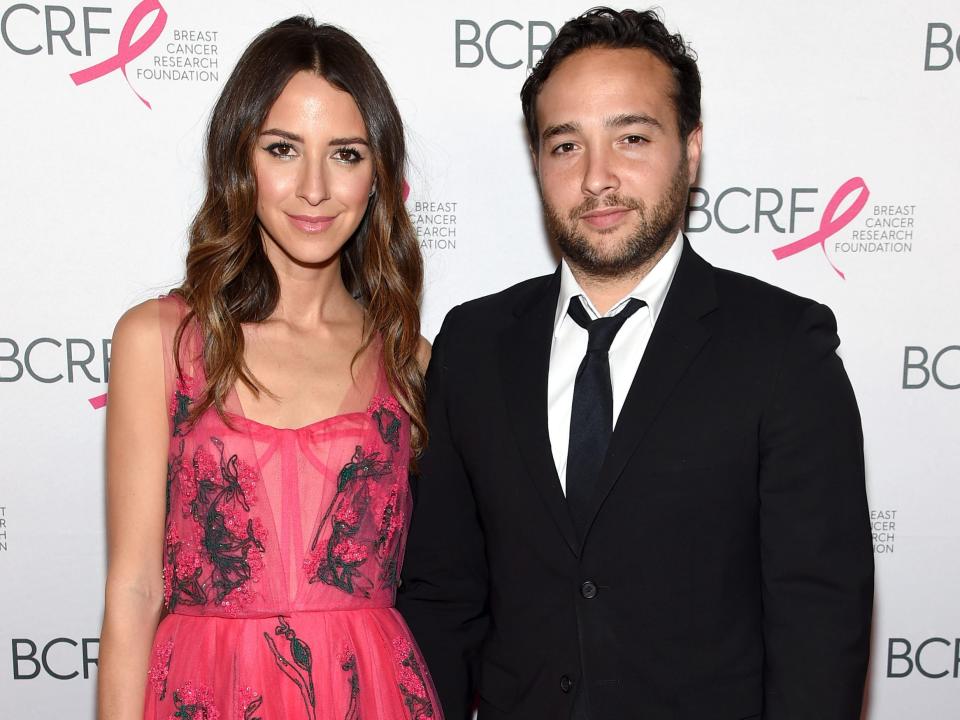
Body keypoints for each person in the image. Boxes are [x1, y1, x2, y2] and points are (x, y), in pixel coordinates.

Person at [397, 7, 873, 720]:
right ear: (537, 162)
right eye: (566, 145)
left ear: (691, 148)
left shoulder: (783, 349)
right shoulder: (471, 344)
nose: (597, 177)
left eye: (632, 137)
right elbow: (442, 597)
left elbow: (820, 621)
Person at [98, 17, 441, 720]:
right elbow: (134, 588)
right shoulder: (160, 339)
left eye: (345, 154)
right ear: (240, 159)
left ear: (378, 176)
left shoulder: (410, 359)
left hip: (370, 695)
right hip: (205, 691)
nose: (314, 188)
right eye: (283, 149)